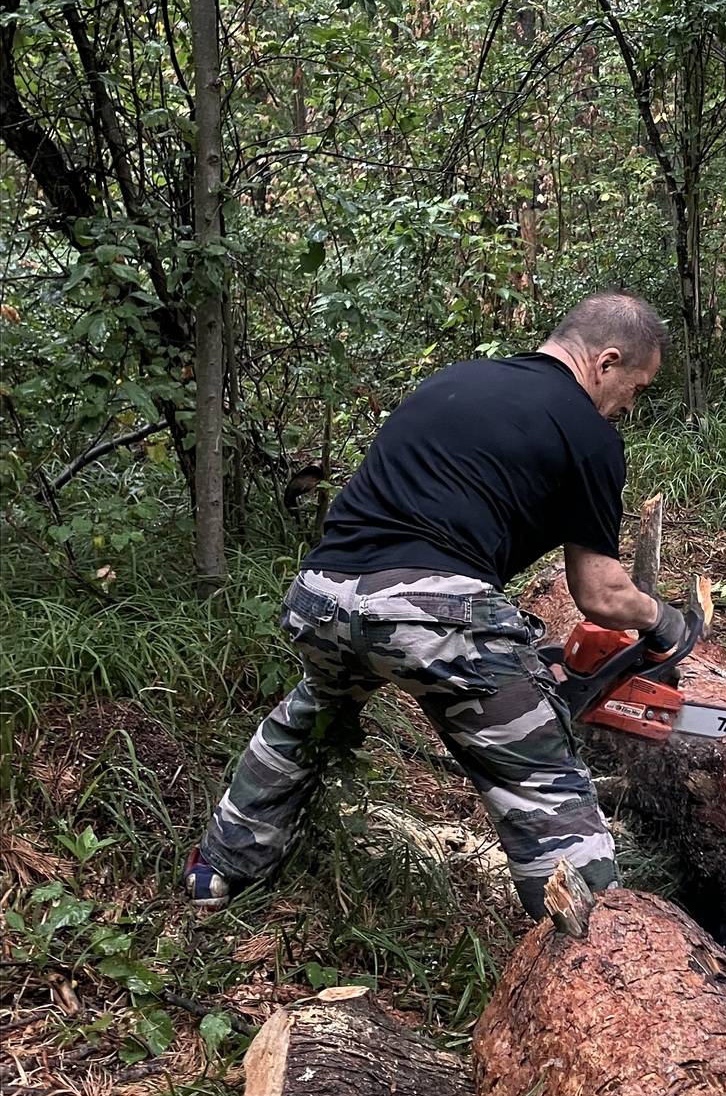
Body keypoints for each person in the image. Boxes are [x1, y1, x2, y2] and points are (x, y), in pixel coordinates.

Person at [184, 292, 687, 918]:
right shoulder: (589, 434)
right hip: (428, 611)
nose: (630, 406)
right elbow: (600, 593)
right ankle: (600, 950)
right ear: (606, 361)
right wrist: (666, 621)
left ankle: (217, 871)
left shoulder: (455, 380)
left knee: (310, 719)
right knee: (542, 785)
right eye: (636, 388)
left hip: (322, 596)